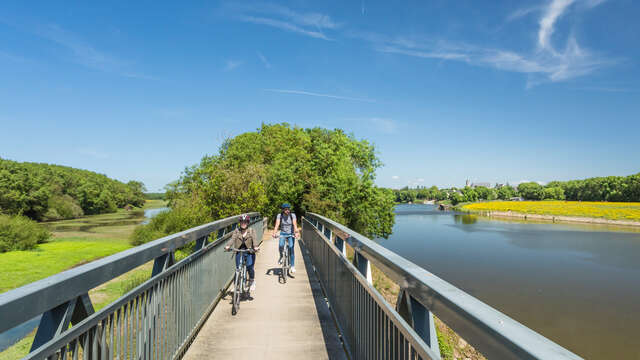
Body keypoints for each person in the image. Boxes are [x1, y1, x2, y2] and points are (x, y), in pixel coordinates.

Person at [225, 214, 259, 291]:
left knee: (250, 266)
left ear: (248, 222)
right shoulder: (237, 231)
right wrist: (228, 246)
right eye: (242, 222)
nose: (243, 223)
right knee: (238, 269)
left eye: (245, 222)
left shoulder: (251, 230)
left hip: (249, 251)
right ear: (240, 222)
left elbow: (255, 239)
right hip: (239, 251)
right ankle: (235, 285)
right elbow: (232, 239)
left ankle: (252, 281)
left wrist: (256, 246)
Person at [272, 203, 300, 274]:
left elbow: (295, 225)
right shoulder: (279, 215)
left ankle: (292, 266)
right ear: (283, 210)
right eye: (286, 209)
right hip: (283, 233)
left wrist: (296, 232)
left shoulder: (292, 215)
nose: (288, 211)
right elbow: (277, 225)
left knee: (291, 247)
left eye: (288, 209)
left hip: (291, 234)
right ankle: (281, 256)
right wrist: (274, 233)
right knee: (281, 245)